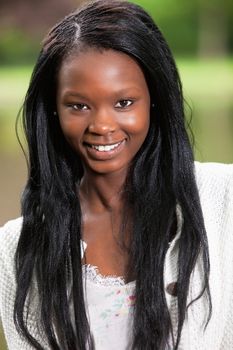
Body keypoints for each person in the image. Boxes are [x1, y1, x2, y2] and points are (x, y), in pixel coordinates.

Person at [0, 0, 232, 349]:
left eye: (124, 103)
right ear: (53, 111)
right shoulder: (18, 248)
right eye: (78, 105)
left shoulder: (223, 200)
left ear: (154, 100)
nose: (102, 125)